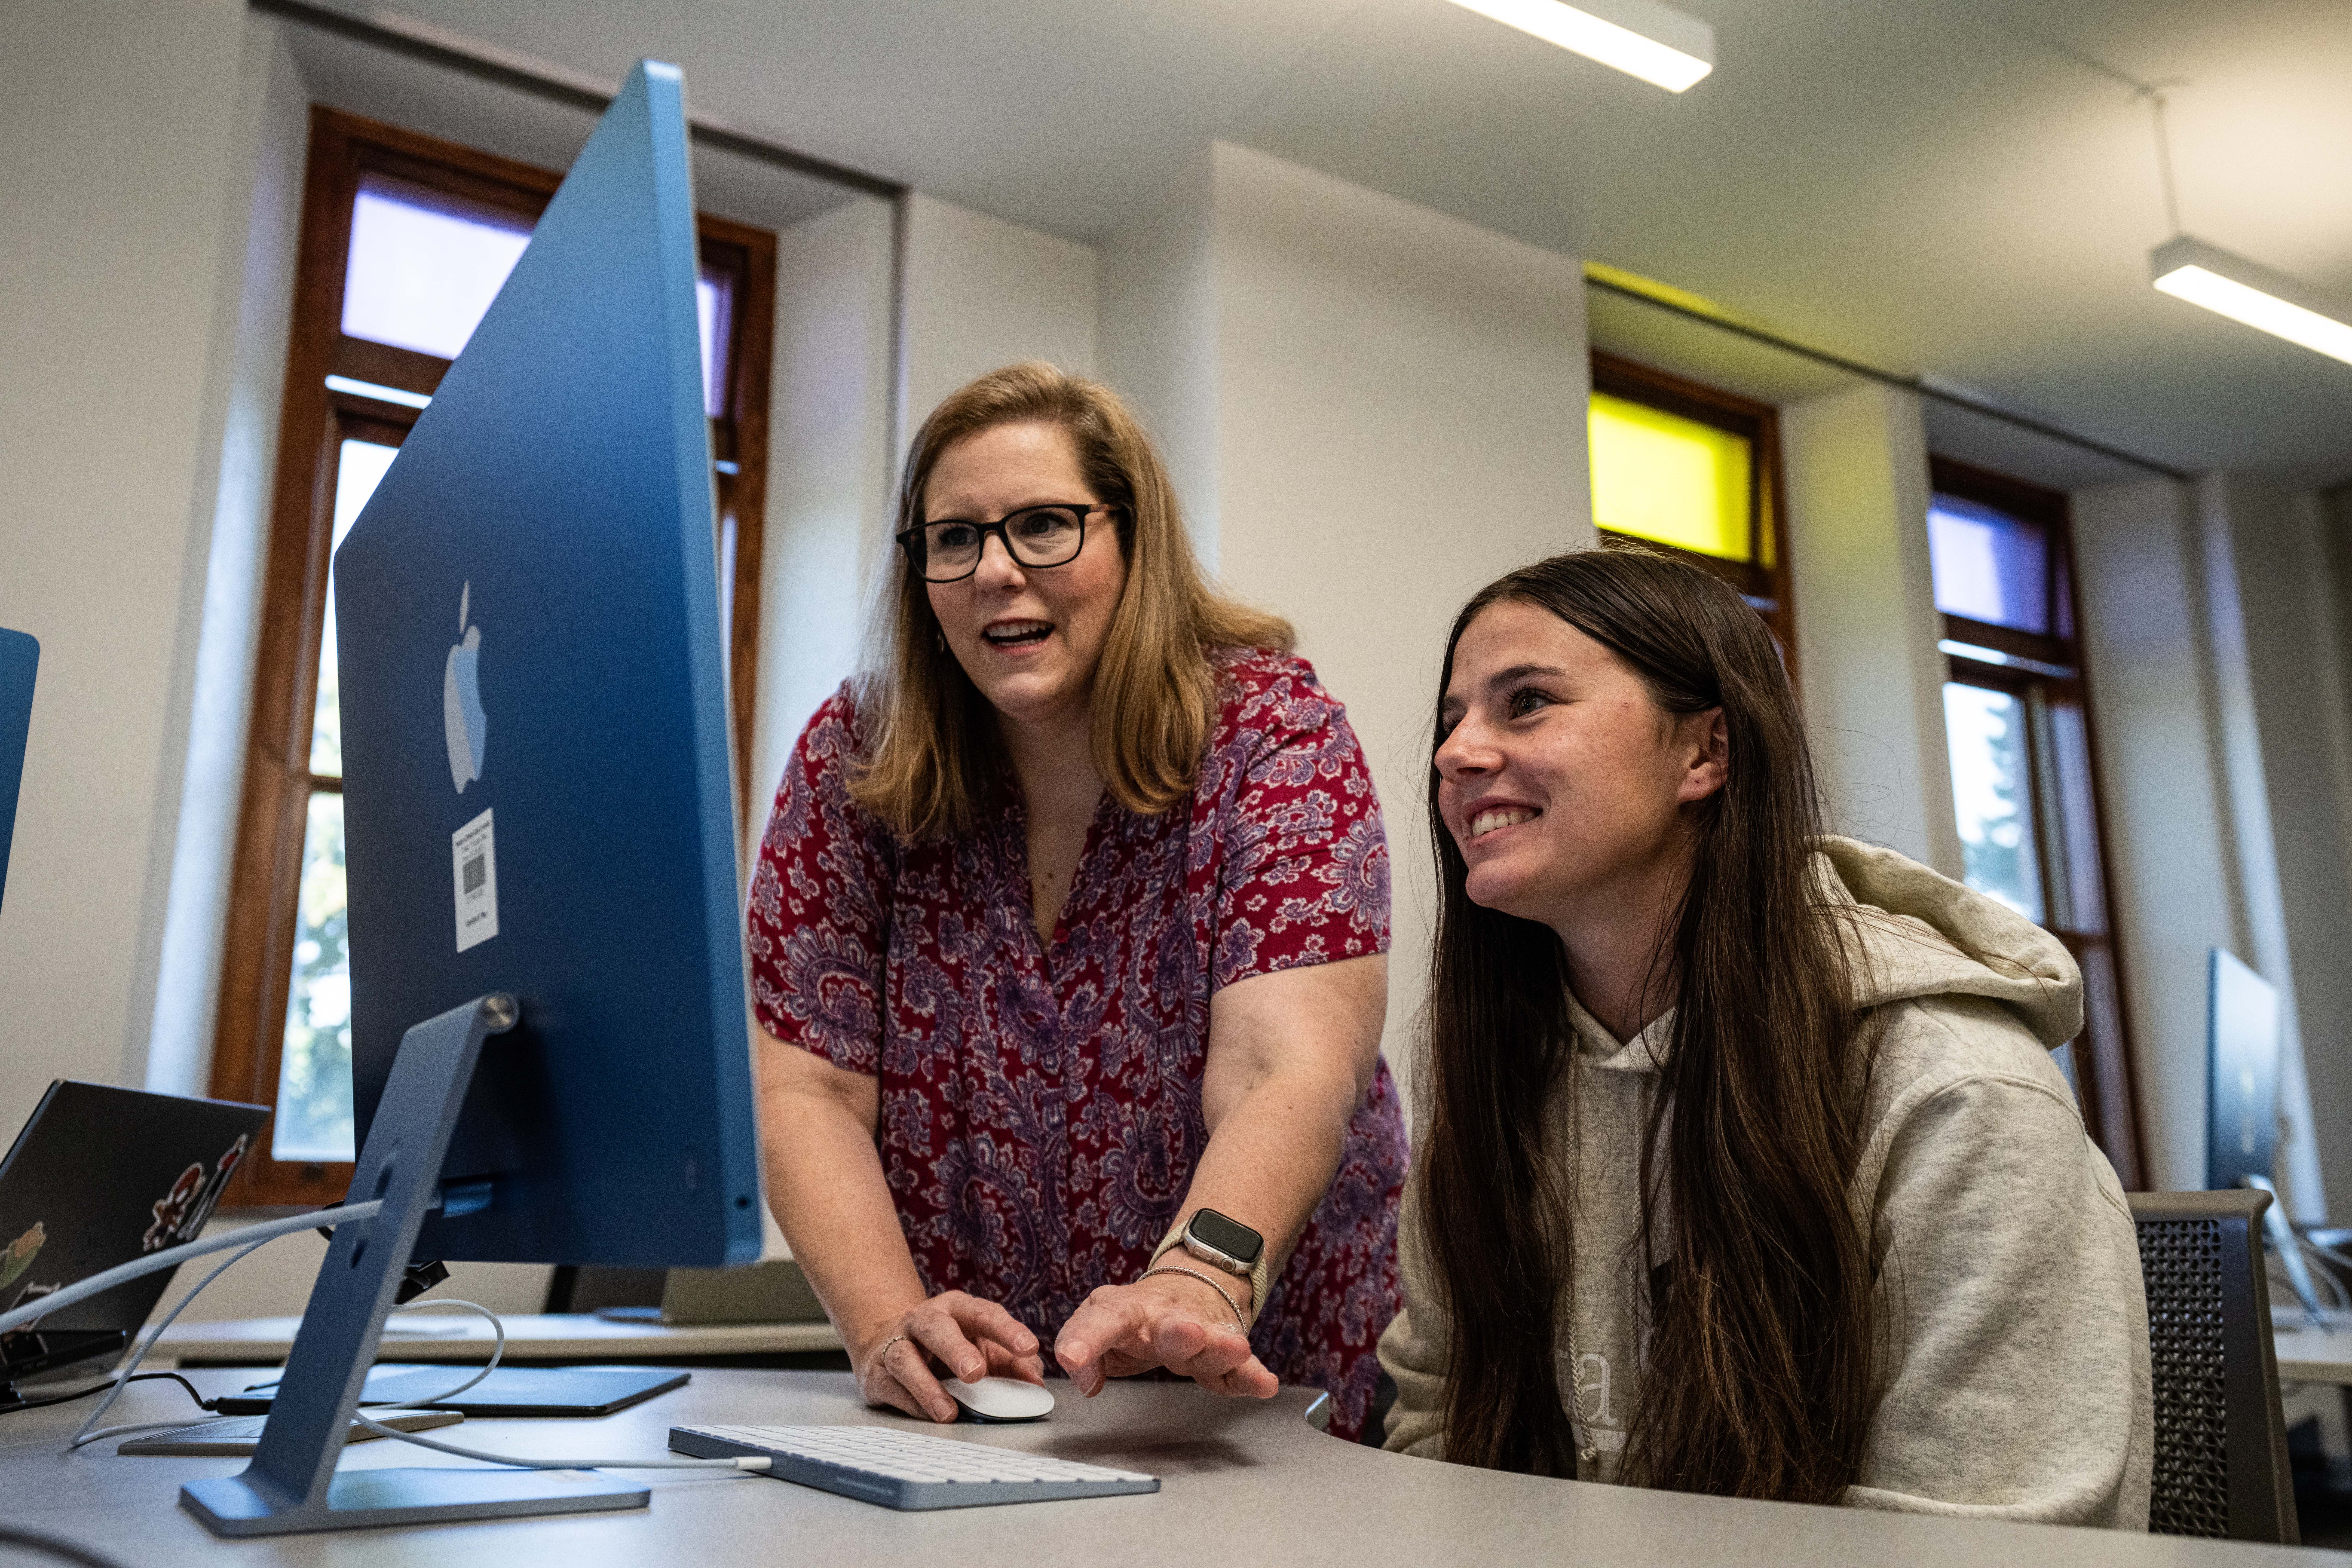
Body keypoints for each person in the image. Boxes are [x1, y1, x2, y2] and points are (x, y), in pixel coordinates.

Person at [1380, 544, 2153, 1524]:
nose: (1455, 753)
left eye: (1526, 701)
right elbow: (1442, 1439)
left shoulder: (1955, 1091)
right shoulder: (1494, 1080)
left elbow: (1979, 1542)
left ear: (1707, 753)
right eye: (1453, 722)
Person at [748, 362, 1407, 1440]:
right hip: (994, 1399)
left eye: (1045, 525)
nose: (997, 572)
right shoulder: (854, 759)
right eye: (955, 539)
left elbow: (1285, 1065)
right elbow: (807, 1087)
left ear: (1133, 540)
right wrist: (884, 1323)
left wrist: (1201, 1279)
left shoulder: (1270, 733)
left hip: (1268, 1383)